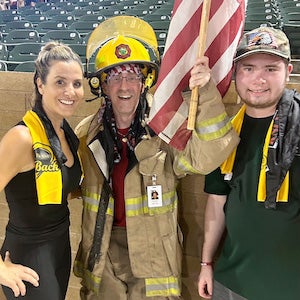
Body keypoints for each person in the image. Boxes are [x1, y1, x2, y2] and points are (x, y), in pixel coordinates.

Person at [73, 16, 239, 300]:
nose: (124, 86)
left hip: (153, 261)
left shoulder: (165, 130)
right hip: (103, 257)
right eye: (114, 77)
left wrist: (206, 93)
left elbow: (206, 158)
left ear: (146, 81)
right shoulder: (85, 135)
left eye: (133, 76)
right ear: (101, 84)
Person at [198, 26, 300, 300]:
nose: (258, 79)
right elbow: (217, 201)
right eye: (248, 68)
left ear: (288, 71)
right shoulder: (226, 134)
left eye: (270, 68)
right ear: (235, 73)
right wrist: (206, 263)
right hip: (231, 285)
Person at [0, 41, 84, 299]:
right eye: (60, 82)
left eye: (77, 83)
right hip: (28, 258)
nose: (70, 91)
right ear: (40, 84)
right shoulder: (22, 137)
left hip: (58, 249)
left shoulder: (65, 132)